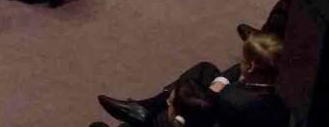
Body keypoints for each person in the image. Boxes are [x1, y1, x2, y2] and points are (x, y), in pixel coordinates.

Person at [96, 29, 288, 127]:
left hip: (213, 120)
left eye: (245, 61)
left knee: (176, 104)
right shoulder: (282, 87)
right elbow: (237, 73)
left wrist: (213, 90)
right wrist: (222, 82)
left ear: (253, 66)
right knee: (205, 69)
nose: (241, 64)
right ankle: (144, 106)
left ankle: (144, 114)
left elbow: (208, 105)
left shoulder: (234, 100)